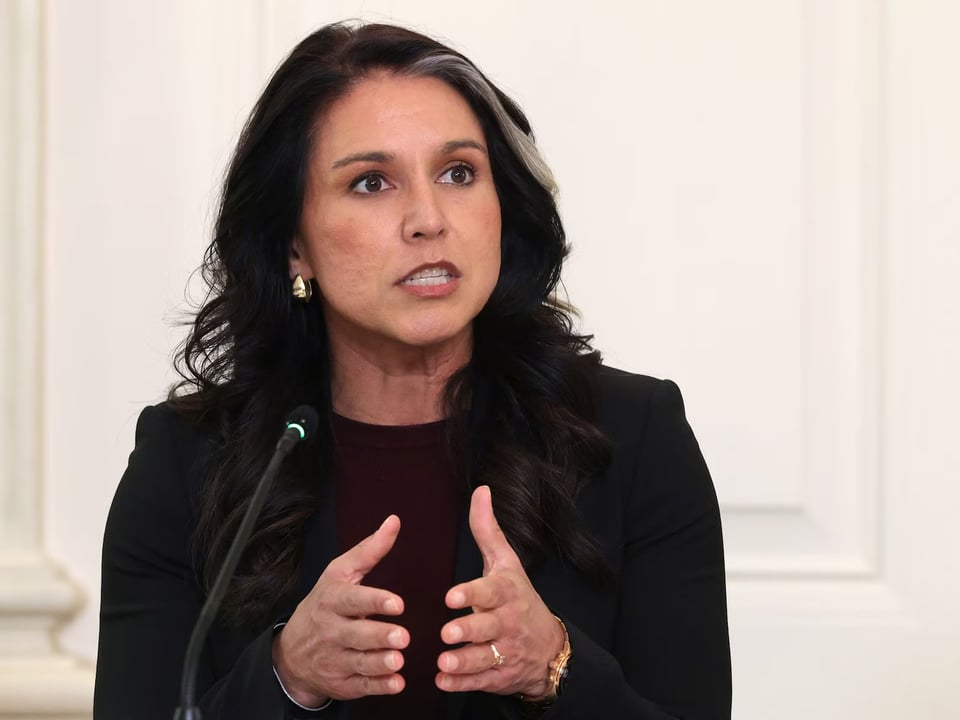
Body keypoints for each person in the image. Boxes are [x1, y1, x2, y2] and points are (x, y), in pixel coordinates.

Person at [93, 20, 731, 720]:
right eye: (371, 183)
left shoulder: (634, 440)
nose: (428, 218)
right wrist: (285, 677)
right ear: (293, 248)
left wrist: (555, 665)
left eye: (458, 172)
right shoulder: (186, 463)